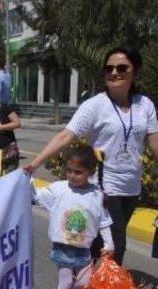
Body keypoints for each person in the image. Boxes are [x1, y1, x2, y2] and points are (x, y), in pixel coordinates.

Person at [25, 46, 158, 265]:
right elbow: (66, 135)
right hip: (104, 185)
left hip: (131, 187)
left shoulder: (145, 105)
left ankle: (80, 285)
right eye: (109, 68)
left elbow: (154, 145)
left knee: (100, 242)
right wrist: (35, 163)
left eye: (122, 67)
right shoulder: (95, 105)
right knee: (117, 245)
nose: (114, 72)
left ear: (135, 71)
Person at [32, 145, 114, 289]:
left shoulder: (97, 194)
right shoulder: (59, 189)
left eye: (78, 172)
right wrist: (27, 178)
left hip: (84, 248)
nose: (72, 175)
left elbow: (104, 222)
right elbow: (36, 196)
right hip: (63, 246)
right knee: (67, 280)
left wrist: (109, 243)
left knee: (84, 285)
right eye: (69, 170)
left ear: (91, 172)